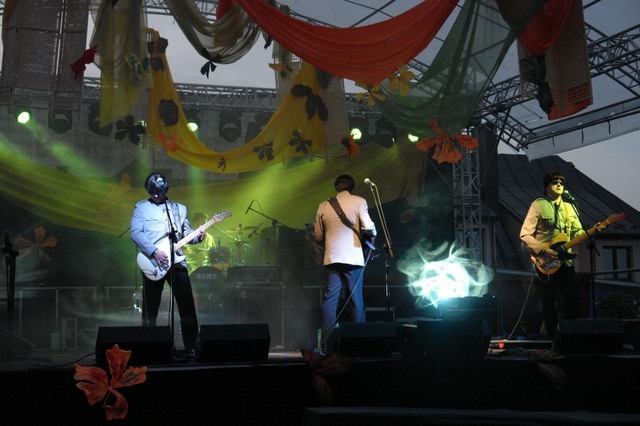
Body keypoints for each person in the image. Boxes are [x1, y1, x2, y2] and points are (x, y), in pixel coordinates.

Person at [130, 172, 205, 354]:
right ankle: (149, 348)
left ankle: (191, 347)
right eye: (152, 192)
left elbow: (187, 234)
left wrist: (198, 237)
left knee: (187, 306)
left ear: (166, 189)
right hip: (153, 262)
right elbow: (135, 233)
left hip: (177, 262)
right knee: (150, 308)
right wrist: (154, 251)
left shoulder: (180, 209)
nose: (156, 195)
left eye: (159, 191)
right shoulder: (141, 208)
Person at [314, 174, 377, 351]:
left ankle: (326, 343)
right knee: (355, 300)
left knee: (330, 299)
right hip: (353, 258)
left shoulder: (323, 205)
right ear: (352, 187)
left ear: (336, 187)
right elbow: (369, 227)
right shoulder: (359, 201)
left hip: (332, 258)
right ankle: (358, 343)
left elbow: (317, 236)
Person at [520, 172, 585, 340]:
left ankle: (570, 335)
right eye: (554, 181)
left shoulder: (570, 207)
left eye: (561, 182)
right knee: (549, 299)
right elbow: (525, 234)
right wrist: (543, 250)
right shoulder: (538, 205)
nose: (559, 184)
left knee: (572, 297)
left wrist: (589, 232)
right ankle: (551, 337)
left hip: (565, 261)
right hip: (545, 261)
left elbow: (577, 231)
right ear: (546, 187)